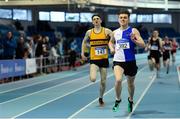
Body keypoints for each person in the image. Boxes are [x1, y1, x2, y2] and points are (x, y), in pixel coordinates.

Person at [108, 9, 145, 113]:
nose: (123, 19)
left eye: (125, 17)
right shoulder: (114, 32)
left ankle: (130, 99)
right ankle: (118, 99)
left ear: (128, 19)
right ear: (118, 19)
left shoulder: (133, 31)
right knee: (118, 80)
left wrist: (135, 41)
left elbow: (143, 44)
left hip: (130, 61)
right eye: (121, 17)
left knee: (130, 84)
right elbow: (110, 42)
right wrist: (111, 48)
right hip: (118, 61)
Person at [81, 14, 112, 106]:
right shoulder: (89, 32)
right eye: (94, 19)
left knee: (103, 81)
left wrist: (112, 44)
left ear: (101, 20)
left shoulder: (106, 31)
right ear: (92, 22)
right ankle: (93, 73)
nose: (96, 20)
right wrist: (82, 53)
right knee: (93, 79)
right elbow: (84, 42)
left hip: (104, 59)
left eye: (97, 19)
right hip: (94, 59)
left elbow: (115, 37)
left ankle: (101, 98)